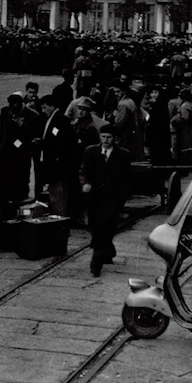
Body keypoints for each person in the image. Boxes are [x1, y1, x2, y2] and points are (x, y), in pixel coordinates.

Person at [80, 125, 132, 277]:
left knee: (105, 228)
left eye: (109, 137)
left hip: (112, 198)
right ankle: (109, 251)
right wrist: (85, 183)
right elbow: (83, 170)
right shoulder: (90, 151)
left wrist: (121, 199)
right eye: (103, 137)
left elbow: (127, 178)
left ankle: (96, 264)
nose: (106, 140)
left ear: (115, 138)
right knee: (96, 226)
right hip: (95, 197)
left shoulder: (123, 155)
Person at [0, 93, 40, 219]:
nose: (11, 107)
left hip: (21, 159)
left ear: (20, 103)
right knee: (2, 188)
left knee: (19, 189)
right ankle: (2, 217)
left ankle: (17, 218)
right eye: (9, 104)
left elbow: (33, 136)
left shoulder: (32, 116)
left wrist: (21, 125)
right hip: (4, 156)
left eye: (13, 104)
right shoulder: (5, 111)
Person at [37, 95, 78, 217]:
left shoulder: (60, 120)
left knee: (59, 196)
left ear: (51, 106)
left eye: (44, 108)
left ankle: (60, 221)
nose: (43, 111)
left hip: (58, 168)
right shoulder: (51, 120)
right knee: (55, 195)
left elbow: (64, 144)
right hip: (53, 166)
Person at [170, 88, 192, 164]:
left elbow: (185, 118)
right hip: (190, 128)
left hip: (185, 129)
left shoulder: (185, 106)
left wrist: (175, 122)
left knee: (185, 146)